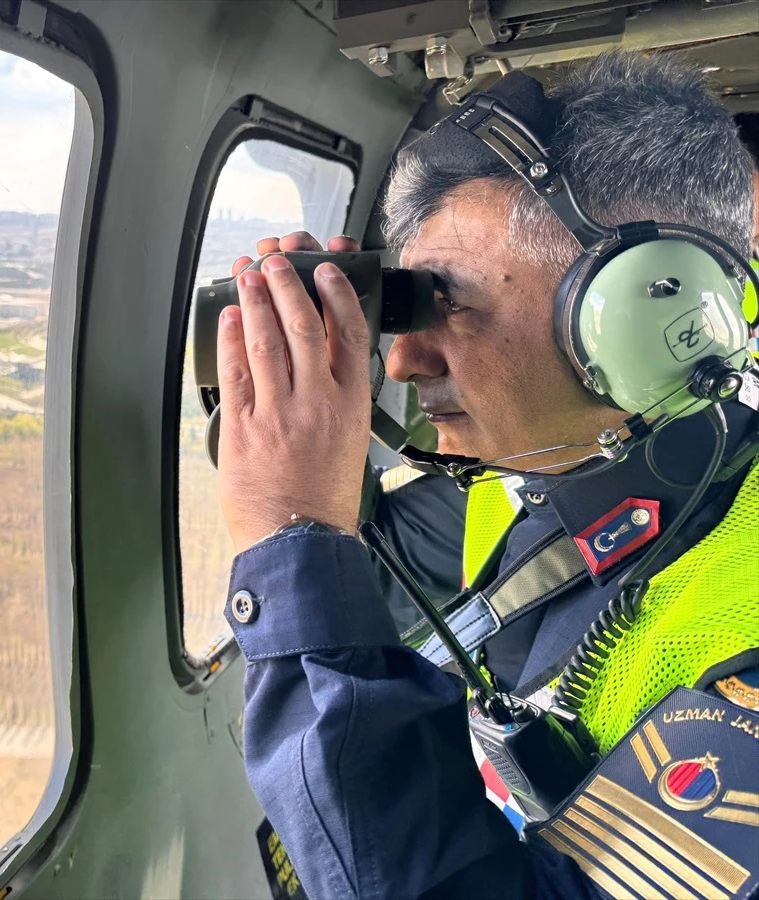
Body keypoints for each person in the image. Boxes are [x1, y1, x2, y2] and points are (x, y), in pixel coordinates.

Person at [217, 52, 759, 899]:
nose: (402, 356)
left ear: (654, 317)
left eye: (450, 303)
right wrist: (304, 400)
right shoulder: (538, 471)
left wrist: (289, 538)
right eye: (405, 304)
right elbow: (380, 551)